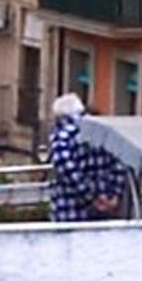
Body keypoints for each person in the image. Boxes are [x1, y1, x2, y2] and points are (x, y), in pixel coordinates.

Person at [48, 93, 126, 222]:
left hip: (70, 211)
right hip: (108, 207)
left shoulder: (62, 136)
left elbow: (66, 168)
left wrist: (91, 197)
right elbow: (119, 163)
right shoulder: (102, 131)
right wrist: (114, 195)